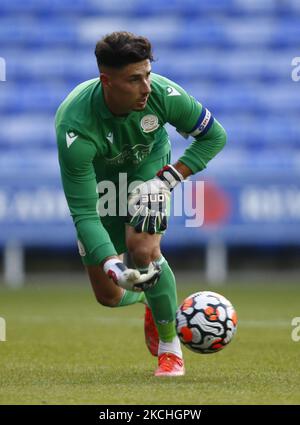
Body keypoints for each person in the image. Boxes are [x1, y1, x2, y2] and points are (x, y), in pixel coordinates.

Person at [55, 31, 227, 377]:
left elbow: (214, 136)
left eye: (147, 73)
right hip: (102, 187)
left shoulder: (162, 94)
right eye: (134, 79)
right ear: (107, 81)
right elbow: (85, 212)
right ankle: (152, 296)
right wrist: (112, 266)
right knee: (108, 294)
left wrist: (170, 178)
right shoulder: (74, 125)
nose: (146, 86)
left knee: (142, 248)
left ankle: (170, 348)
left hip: (149, 174)